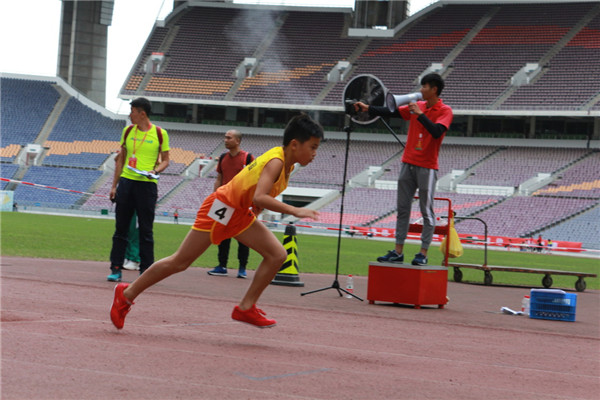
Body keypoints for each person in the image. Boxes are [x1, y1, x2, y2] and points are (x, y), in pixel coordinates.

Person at [110, 114, 323, 329]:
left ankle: (246, 307)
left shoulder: (287, 165)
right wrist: (294, 210)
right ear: (295, 144)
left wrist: (255, 210)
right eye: (313, 147)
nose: (315, 153)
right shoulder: (277, 161)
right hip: (221, 206)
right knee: (180, 262)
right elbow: (260, 196)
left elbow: (254, 192)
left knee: (277, 254)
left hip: (238, 212)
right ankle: (126, 294)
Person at [354, 73, 453, 266]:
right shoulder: (419, 106)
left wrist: (420, 114)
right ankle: (398, 251)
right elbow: (391, 112)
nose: (421, 89)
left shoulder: (445, 110)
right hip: (408, 163)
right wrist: (369, 108)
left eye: (424, 86)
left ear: (434, 89)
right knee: (402, 209)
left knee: (427, 211)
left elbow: (436, 132)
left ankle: (422, 253)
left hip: (428, 167)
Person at [106, 97, 170, 282]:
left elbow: (166, 160)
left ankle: (147, 271)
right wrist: (114, 186)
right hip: (127, 183)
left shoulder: (160, 133)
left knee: (146, 230)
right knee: (120, 229)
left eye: (132, 111)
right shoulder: (127, 131)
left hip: (147, 185)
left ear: (142, 113)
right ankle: (116, 268)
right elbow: (121, 159)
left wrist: (155, 170)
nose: (130, 115)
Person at [207, 129, 254, 279]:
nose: (225, 140)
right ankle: (222, 266)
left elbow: (253, 180)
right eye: (225, 137)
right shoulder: (222, 157)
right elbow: (219, 179)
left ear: (238, 141)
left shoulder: (248, 158)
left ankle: (242, 268)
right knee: (222, 235)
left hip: (241, 203)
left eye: (228, 138)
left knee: (243, 236)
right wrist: (215, 196)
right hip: (224, 202)